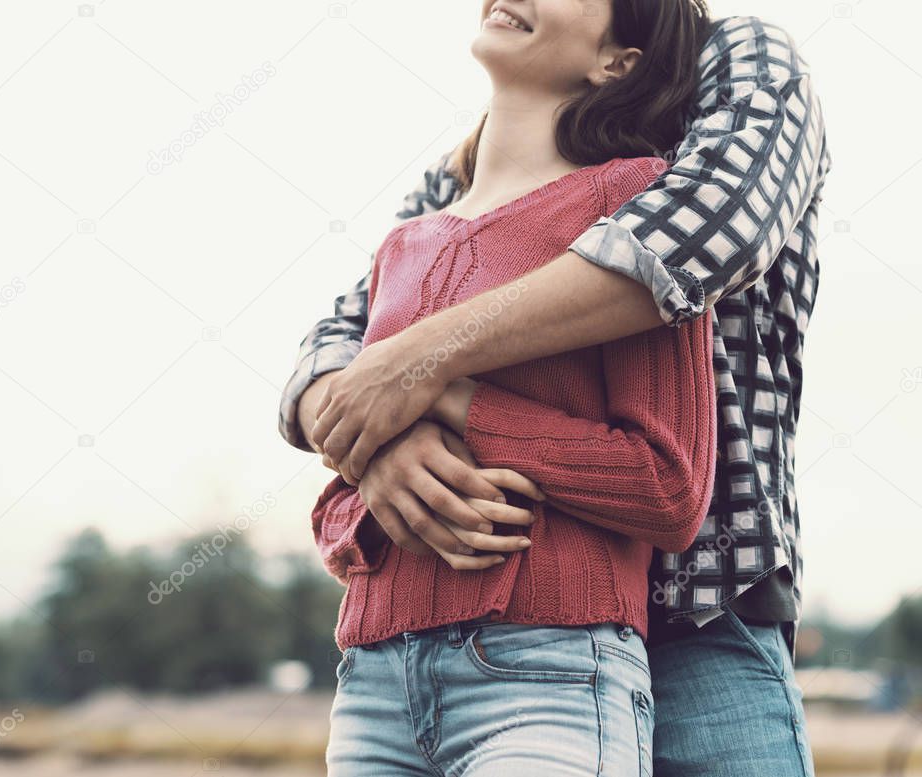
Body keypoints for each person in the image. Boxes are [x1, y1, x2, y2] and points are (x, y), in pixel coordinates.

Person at [281, 3, 829, 776]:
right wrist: (380, 445)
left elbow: (697, 238)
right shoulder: (461, 177)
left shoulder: (738, 56)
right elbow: (345, 342)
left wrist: (425, 374)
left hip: (702, 608)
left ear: (620, 58)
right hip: (429, 636)